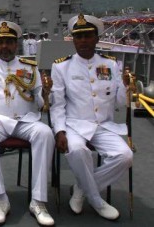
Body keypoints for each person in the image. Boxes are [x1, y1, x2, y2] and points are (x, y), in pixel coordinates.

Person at [0, 21, 55, 226]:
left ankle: (38, 201)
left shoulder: (30, 68)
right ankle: (1, 199)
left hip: (25, 121)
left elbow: (42, 104)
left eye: (9, 42)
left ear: (16, 44)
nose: (4, 46)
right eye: (0, 42)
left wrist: (46, 94)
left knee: (45, 134)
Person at [50, 14, 133, 220]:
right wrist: (59, 130)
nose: (83, 41)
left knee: (125, 156)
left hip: (104, 125)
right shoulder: (61, 66)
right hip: (75, 125)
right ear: (73, 40)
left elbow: (121, 103)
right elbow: (58, 104)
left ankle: (81, 189)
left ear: (96, 38)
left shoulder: (112, 65)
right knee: (77, 150)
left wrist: (125, 86)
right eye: (79, 37)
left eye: (88, 36)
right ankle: (97, 200)